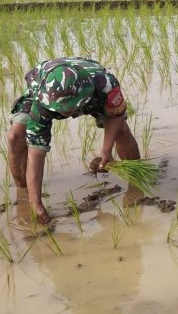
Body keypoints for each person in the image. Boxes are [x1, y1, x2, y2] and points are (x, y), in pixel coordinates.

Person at [8, 57, 140, 224]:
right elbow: (36, 153)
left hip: (88, 85)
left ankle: (137, 180)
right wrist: (36, 203)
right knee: (15, 136)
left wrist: (106, 150)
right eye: (61, 109)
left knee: (122, 132)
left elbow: (116, 115)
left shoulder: (106, 85)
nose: (66, 114)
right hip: (43, 83)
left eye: (70, 108)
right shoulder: (42, 103)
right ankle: (23, 191)